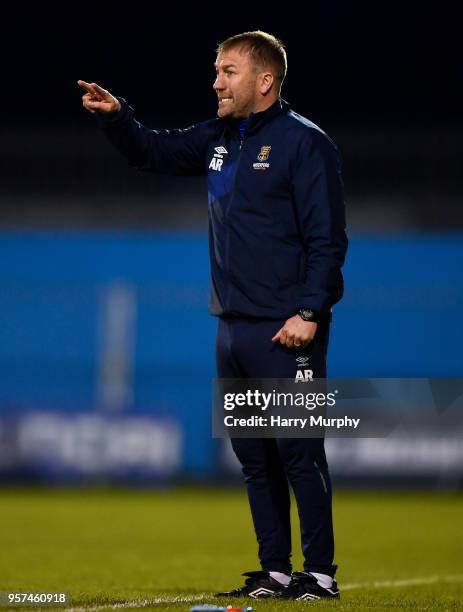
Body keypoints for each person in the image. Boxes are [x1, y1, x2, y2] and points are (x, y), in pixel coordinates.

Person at [78, 30, 347, 601]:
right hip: (232, 327)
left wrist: (309, 311)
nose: (216, 81)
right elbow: (151, 151)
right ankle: (275, 570)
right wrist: (117, 118)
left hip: (286, 329)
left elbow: (328, 239)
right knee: (254, 456)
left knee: (299, 450)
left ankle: (319, 574)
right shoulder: (220, 138)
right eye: (216, 70)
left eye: (228, 71)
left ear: (264, 81)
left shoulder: (306, 144)